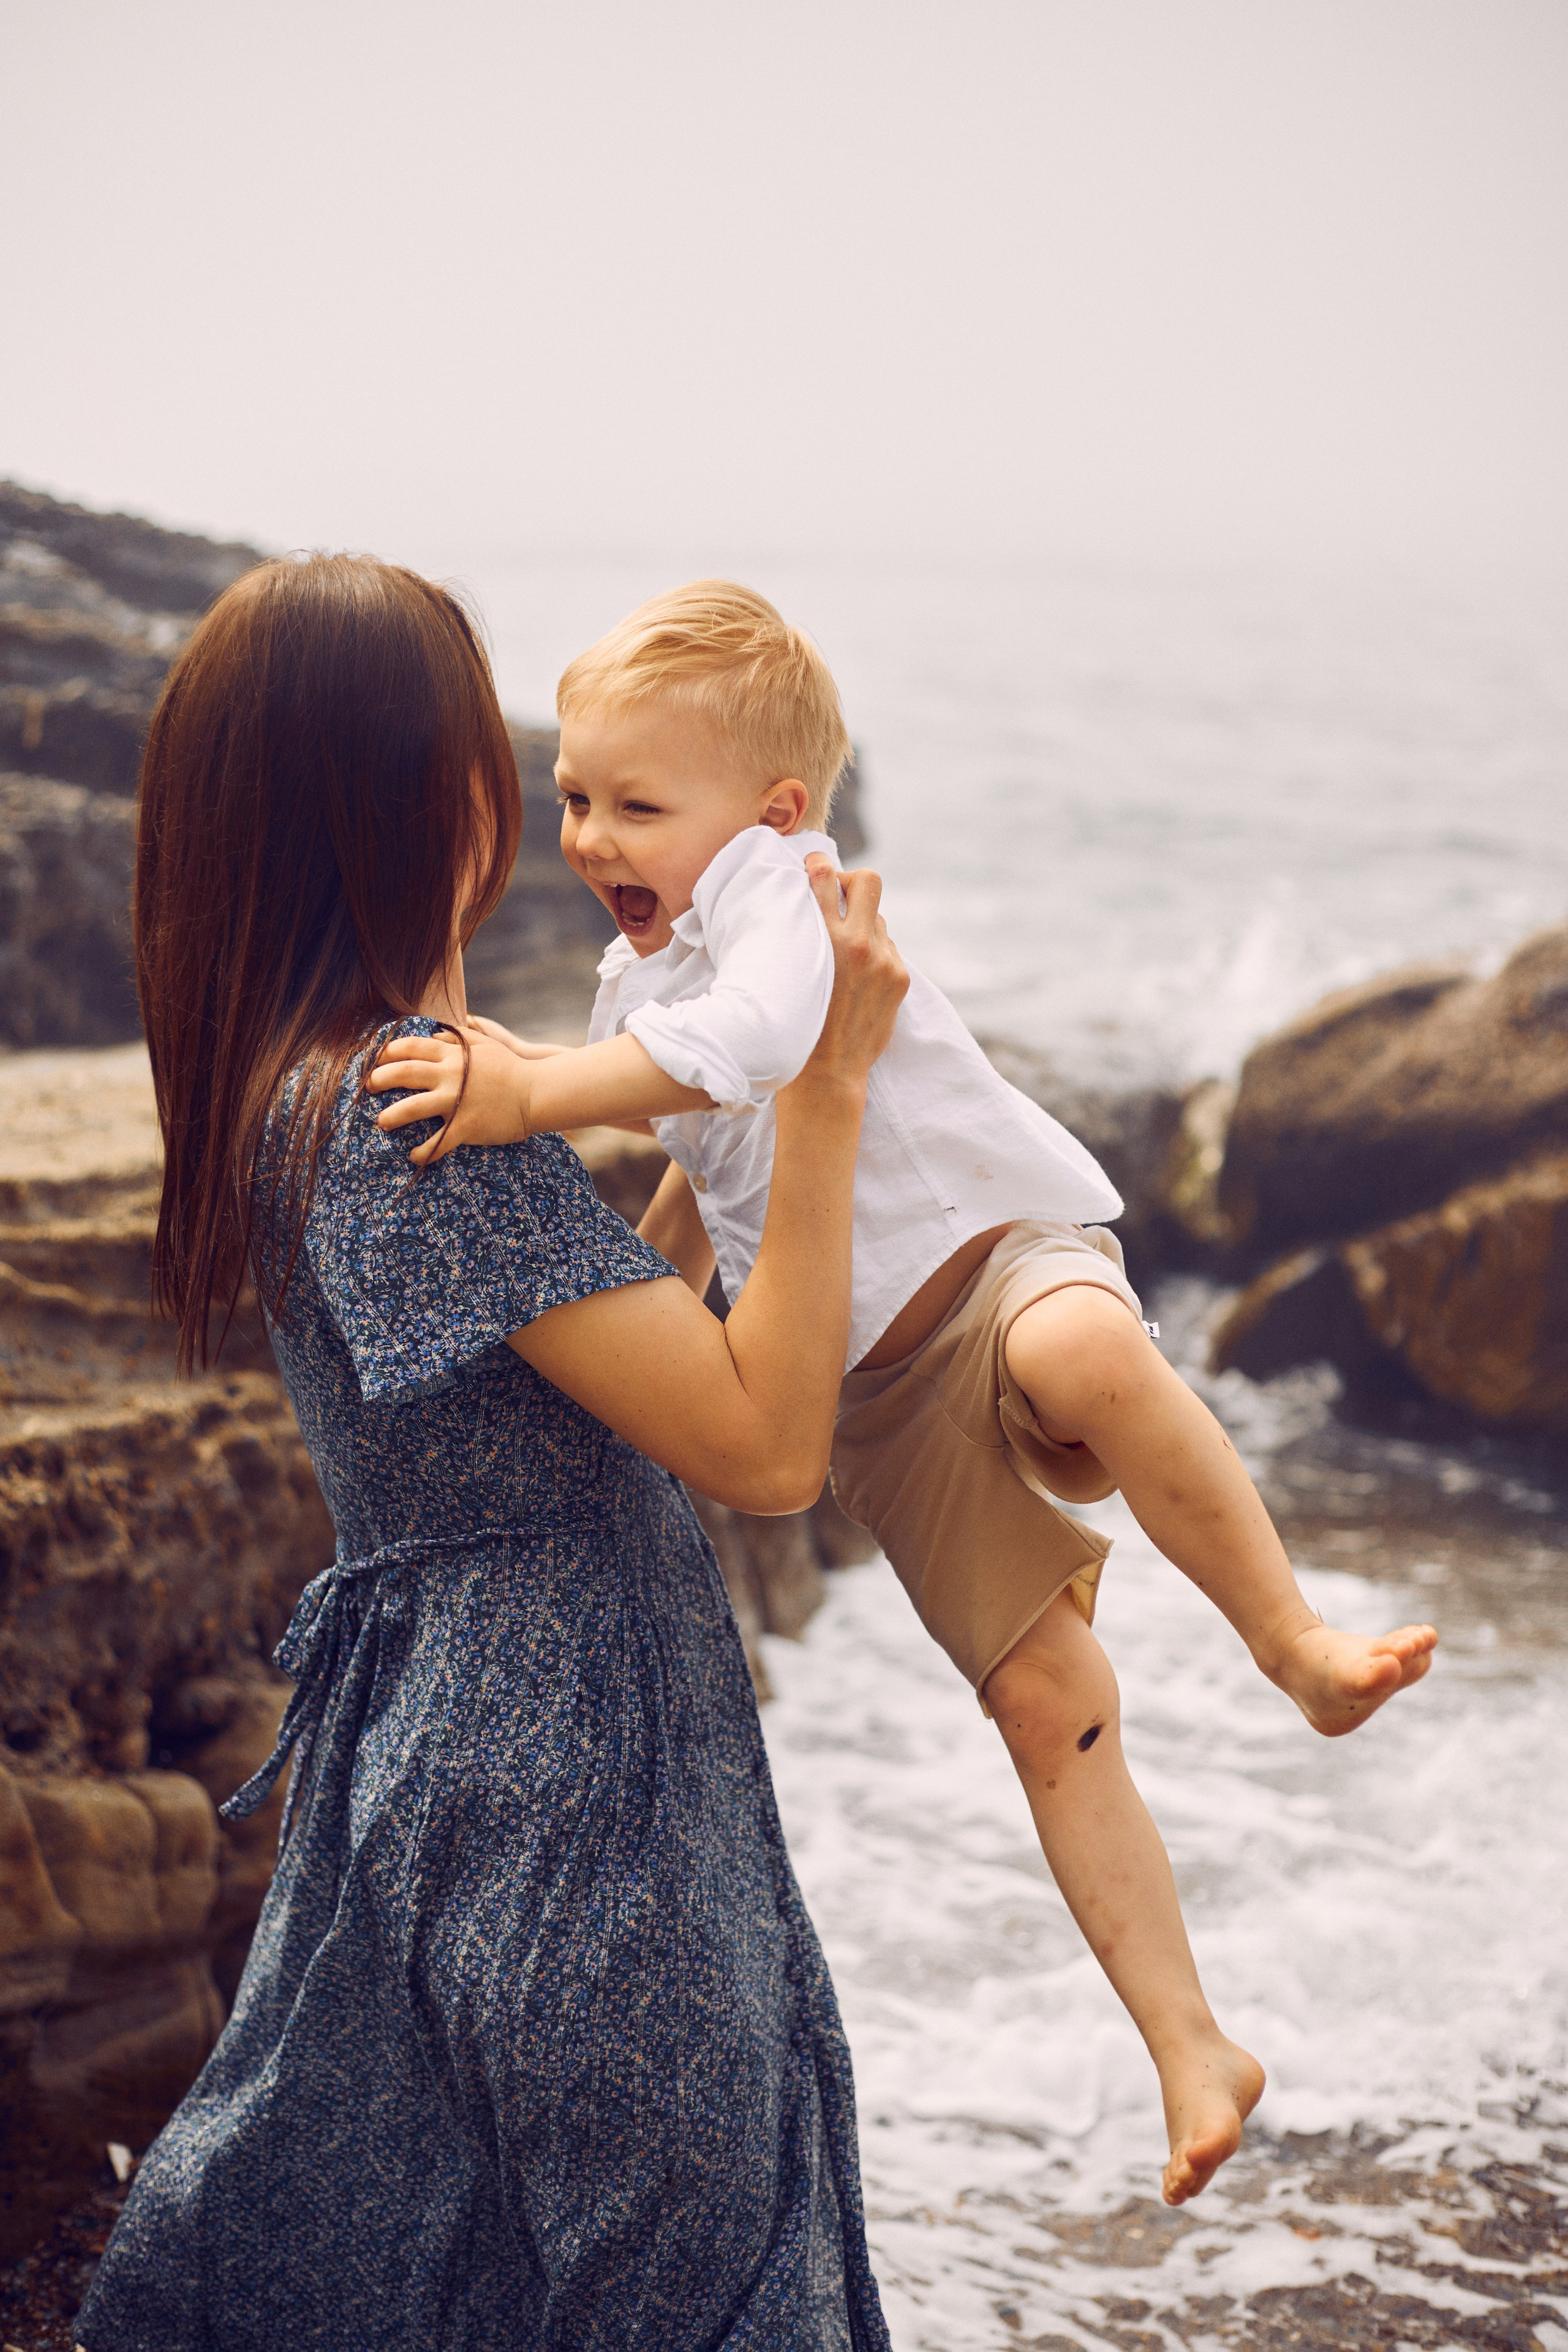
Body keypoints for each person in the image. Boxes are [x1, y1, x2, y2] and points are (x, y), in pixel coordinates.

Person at [372, 579, 1441, 2209]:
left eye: (637, 806)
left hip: (993, 1262)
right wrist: (644, 1302)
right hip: (877, 1396)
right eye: (577, 797)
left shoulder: (786, 899)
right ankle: (1190, 2044)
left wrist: (531, 1090)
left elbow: (761, 1043)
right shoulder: (638, 986)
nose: (589, 838)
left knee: (1084, 1354)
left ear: (773, 816)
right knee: (1048, 1705)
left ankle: (1291, 1639)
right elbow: (712, 1163)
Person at [75, 554, 907, 2352]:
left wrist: (709, 1148)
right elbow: (767, 1447)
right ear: (413, 797)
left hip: (444, 1737)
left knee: (423, 2235)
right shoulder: (410, 1113)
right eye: (487, 753)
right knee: (668, 2260)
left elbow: (617, 1352)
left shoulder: (300, 1087)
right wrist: (830, 1087)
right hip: (572, 1765)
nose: (533, 803)